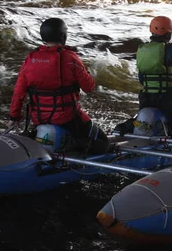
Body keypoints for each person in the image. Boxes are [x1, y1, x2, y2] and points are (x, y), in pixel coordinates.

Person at [8, 18, 109, 154]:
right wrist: (86, 73)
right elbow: (89, 87)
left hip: (39, 120)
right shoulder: (71, 58)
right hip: (67, 118)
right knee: (103, 143)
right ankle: (73, 145)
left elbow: (18, 93)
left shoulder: (30, 60)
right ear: (63, 36)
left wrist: (14, 118)